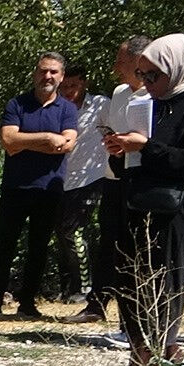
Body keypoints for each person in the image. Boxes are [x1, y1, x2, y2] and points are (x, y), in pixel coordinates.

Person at [103, 33, 184, 366]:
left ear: (177, 69)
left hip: (177, 210)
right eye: (142, 75)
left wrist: (145, 146)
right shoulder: (151, 103)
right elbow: (140, 159)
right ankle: (146, 359)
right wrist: (120, 150)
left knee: (164, 284)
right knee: (132, 283)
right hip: (139, 203)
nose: (146, 83)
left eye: (153, 75)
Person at [0, 52, 79, 320]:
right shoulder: (17, 104)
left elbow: (66, 144)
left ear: (62, 77)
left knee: (38, 248)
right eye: (43, 71)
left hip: (48, 190)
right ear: (35, 74)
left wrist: (25, 142)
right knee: (4, 247)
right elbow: (8, 140)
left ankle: (27, 305)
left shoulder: (68, 109)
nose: (47, 76)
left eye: (53, 72)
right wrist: (47, 138)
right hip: (15, 187)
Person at [79, 36, 156, 328]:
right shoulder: (120, 92)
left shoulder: (156, 94)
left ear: (139, 61)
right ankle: (98, 304)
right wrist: (113, 142)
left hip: (141, 179)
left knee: (137, 249)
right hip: (113, 176)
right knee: (109, 242)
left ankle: (135, 321)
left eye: (120, 62)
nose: (115, 68)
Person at [55, 58, 112, 311]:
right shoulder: (56, 107)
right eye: (65, 86)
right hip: (62, 179)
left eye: (74, 86)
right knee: (62, 234)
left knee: (75, 231)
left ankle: (85, 288)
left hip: (92, 176)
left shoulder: (100, 105)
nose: (69, 91)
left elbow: (113, 132)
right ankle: (68, 285)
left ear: (84, 84)